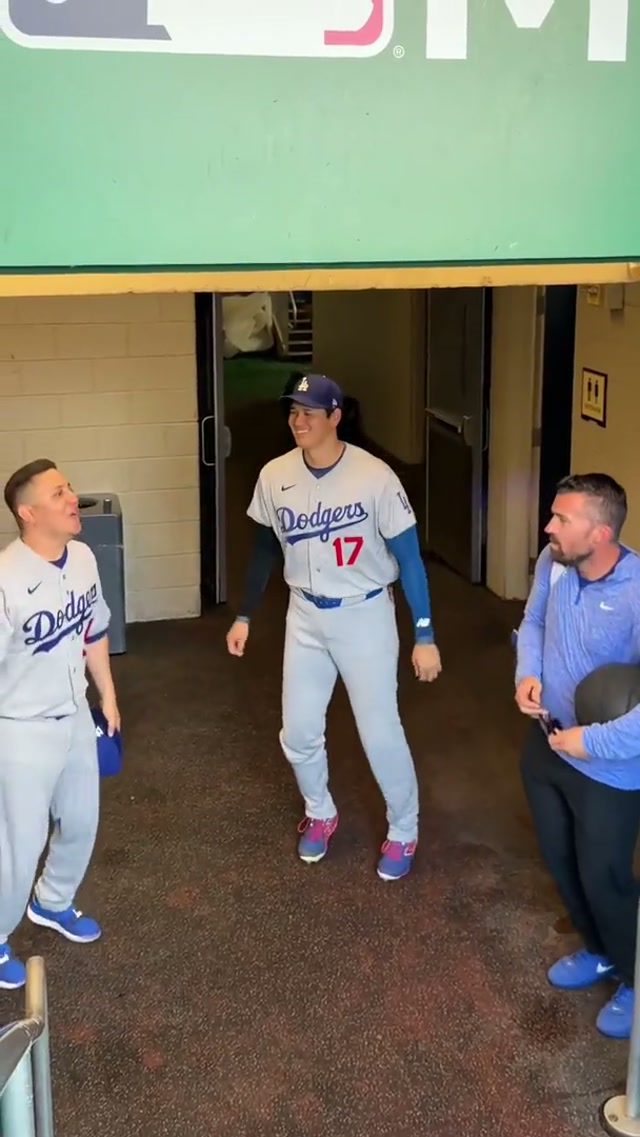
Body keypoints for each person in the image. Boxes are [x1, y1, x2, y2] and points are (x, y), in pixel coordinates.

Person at [226, 374, 442, 881]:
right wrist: (244, 614)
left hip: (364, 612)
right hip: (304, 613)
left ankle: (404, 828)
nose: (299, 420)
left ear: (335, 417)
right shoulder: (274, 474)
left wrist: (425, 633)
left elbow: (410, 559)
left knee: (379, 732)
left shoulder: (375, 476)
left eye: (310, 412)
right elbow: (263, 549)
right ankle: (320, 811)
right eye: (293, 411)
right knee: (298, 731)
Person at [515, 472, 640, 1039]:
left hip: (608, 768)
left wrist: (589, 742)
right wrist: (528, 674)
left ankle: (635, 978)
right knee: (561, 862)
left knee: (607, 878)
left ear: (603, 531)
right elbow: (534, 621)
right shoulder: (554, 562)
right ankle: (598, 950)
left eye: (562, 519)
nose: (549, 527)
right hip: (546, 744)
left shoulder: (637, 592)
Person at [0, 459, 120, 989]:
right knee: (18, 846)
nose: (73, 498)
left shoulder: (85, 558)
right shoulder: (5, 580)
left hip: (73, 714)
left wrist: (107, 696)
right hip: (20, 727)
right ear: (28, 513)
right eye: (58, 493)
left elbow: (92, 630)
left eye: (69, 487)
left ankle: (53, 902)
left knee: (81, 821)